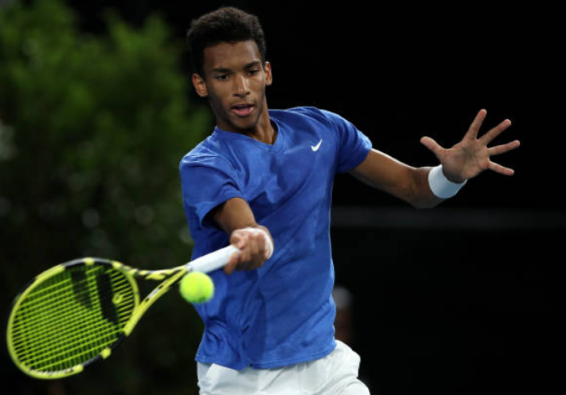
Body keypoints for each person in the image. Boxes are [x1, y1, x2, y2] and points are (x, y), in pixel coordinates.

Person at [179, 7, 519, 395]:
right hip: (247, 373)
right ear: (201, 83)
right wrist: (251, 236)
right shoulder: (205, 164)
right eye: (223, 76)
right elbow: (242, 223)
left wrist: (450, 175)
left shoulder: (321, 129)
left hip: (325, 361)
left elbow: (413, 187)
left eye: (251, 71)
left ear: (267, 73)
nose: (241, 87)